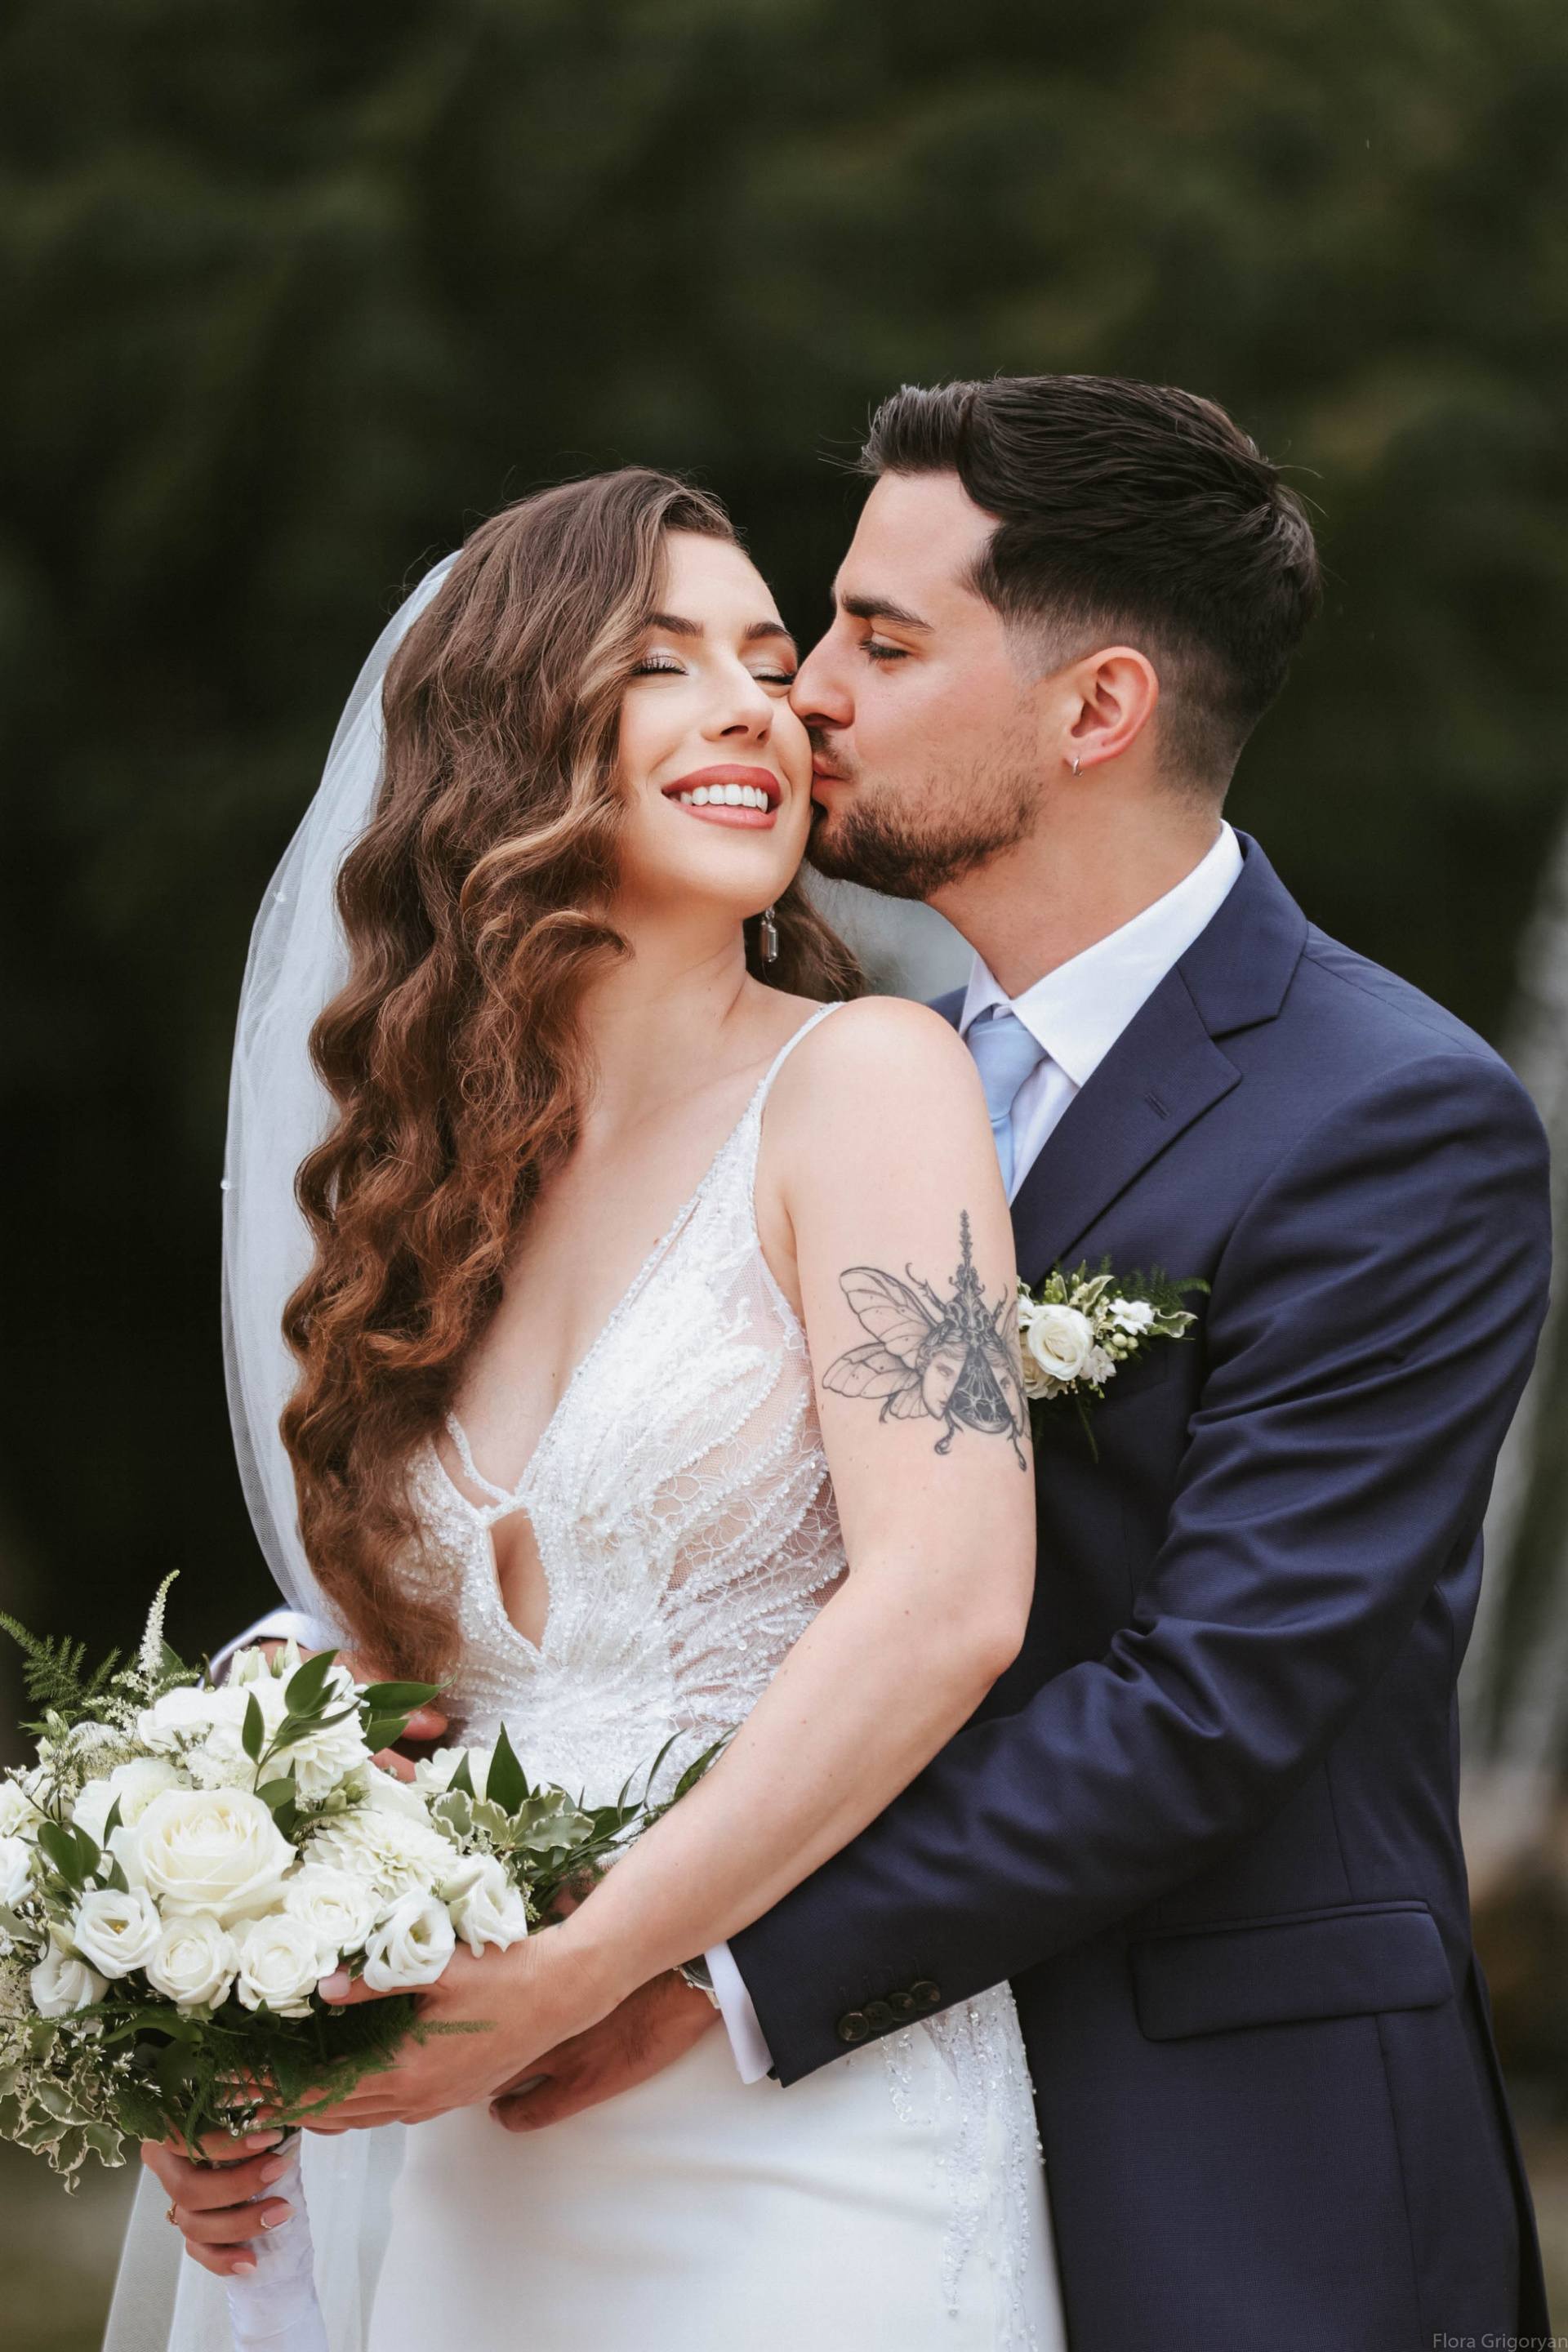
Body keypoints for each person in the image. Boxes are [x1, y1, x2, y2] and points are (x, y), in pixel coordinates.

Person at [151, 374, 1552, 2351]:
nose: (800, 695)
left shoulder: (1388, 1118)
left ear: (1098, 709)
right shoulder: (720, 1092)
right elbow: (480, 1600)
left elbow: (1208, 1700)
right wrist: (234, 1911)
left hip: (1198, 2137)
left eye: (874, 643)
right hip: (564, 2129)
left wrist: (684, 1971)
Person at [131, 466, 1066, 2352]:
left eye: (771, 664)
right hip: (475, 2169)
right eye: (663, 663)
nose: (756, 710)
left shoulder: (868, 1082)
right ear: (504, 740)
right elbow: (384, 1678)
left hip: (807, 2144)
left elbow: (950, 1601)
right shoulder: (426, 1196)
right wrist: (217, 2018)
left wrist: (586, 1966)